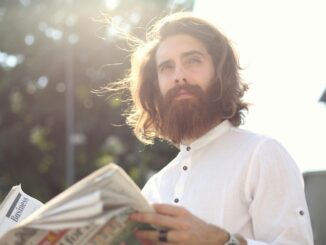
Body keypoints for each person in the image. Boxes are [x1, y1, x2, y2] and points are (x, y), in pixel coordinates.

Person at [109, 12, 313, 244]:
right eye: (167, 67)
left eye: (193, 61)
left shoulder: (262, 154)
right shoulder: (154, 188)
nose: (179, 76)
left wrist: (222, 241)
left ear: (219, 72)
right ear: (156, 86)